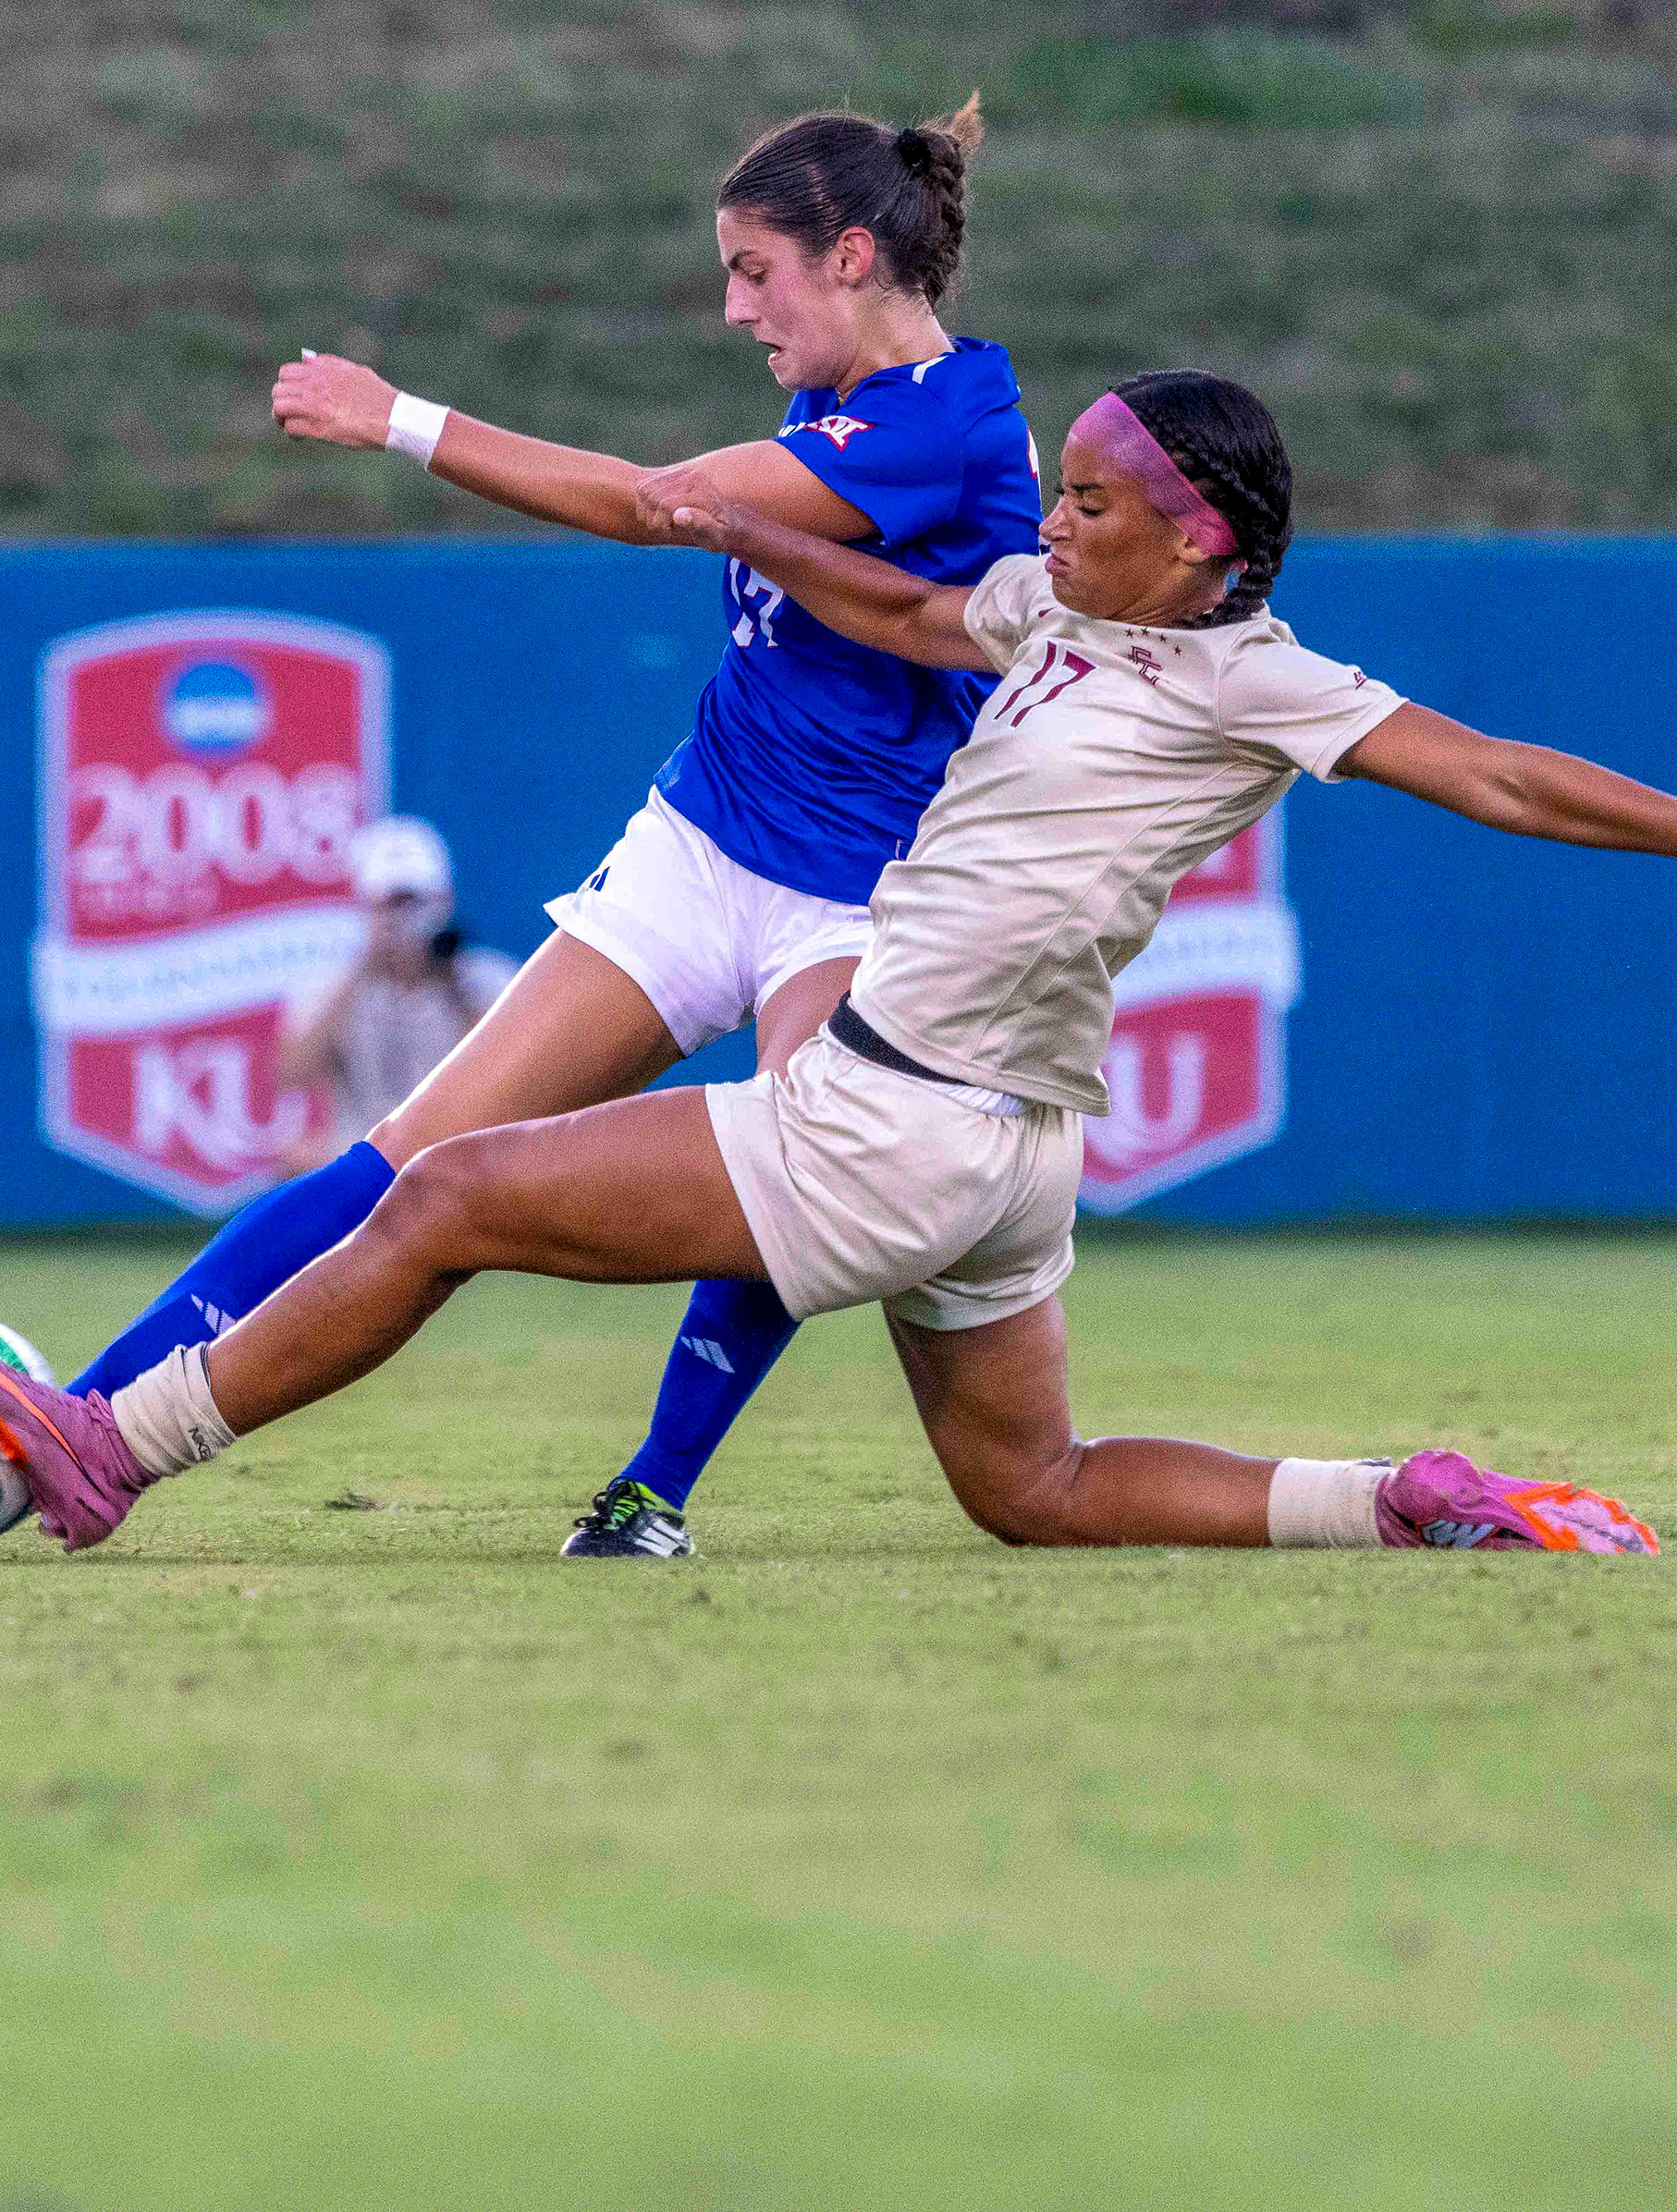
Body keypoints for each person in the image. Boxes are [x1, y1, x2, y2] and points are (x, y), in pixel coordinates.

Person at [0, 369, 1677, 1559]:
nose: (1054, 515)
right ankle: (1405, 1495)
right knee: (1030, 1490)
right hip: (1006, 1149)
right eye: (1056, 481)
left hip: (897, 1118)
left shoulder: (1256, 676)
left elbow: (1490, 771)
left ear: (1209, 541)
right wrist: (727, 521)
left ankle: (120, 1445)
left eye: (1096, 499)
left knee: (448, 1190)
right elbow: (891, 591)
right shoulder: (1061, 611)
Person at [67, 100, 1044, 1559]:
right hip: (705, 838)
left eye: (752, 270)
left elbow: (666, 508)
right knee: (408, 1157)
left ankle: (652, 1489)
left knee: (800, 1160)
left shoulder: (948, 425)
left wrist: (394, 416)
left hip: (867, 896)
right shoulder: (840, 389)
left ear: (850, 257)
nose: (733, 307)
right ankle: (79, 1420)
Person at [273, 817, 518, 1175]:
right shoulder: (332, 987)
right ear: (366, 907)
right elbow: (292, 1075)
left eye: (416, 902)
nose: (406, 918)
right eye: (391, 904)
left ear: (445, 901)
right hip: (363, 1157)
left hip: (459, 1157)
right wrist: (365, 964)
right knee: (299, 1159)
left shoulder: (489, 979)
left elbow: (507, 1072)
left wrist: (452, 982)